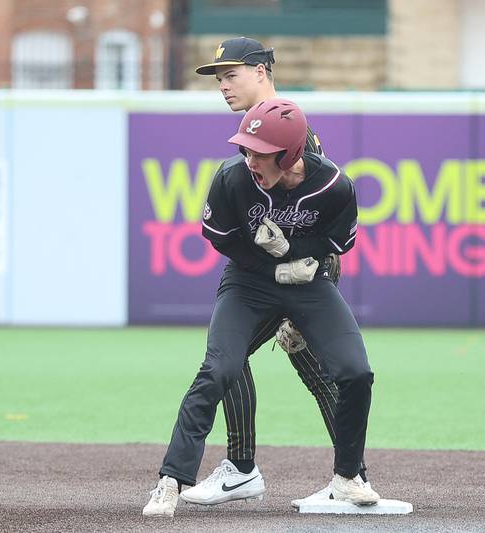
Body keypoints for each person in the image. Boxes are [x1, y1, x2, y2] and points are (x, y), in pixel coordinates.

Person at [142, 98, 380, 517]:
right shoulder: (233, 178)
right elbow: (219, 237)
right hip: (248, 284)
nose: (250, 159)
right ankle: (171, 480)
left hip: (309, 284)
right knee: (219, 368)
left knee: (356, 372)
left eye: (260, 153)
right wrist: (271, 265)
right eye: (247, 149)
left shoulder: (334, 186)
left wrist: (296, 251)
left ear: (289, 155)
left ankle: (347, 478)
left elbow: (340, 242)